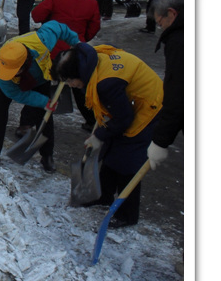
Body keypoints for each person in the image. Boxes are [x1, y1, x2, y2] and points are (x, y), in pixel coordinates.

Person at [52, 42, 163, 228]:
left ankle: (127, 215)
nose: (70, 85)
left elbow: (124, 118)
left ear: (78, 73)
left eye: (70, 80)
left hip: (149, 106)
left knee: (128, 159)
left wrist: (100, 135)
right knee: (112, 149)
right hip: (130, 102)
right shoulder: (90, 59)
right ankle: (103, 195)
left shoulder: (106, 84)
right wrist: (104, 132)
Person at [0, 20, 81, 172]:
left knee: (45, 116)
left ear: (25, 63)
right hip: (11, 85)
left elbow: (58, 26)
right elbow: (17, 94)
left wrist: (76, 43)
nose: (10, 74)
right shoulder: (2, 71)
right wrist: (42, 101)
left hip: (40, 78)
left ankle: (47, 156)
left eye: (14, 71)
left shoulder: (42, 41)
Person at [145, 0, 185, 281]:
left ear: (171, 15)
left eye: (159, 21)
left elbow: (178, 93)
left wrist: (160, 141)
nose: (158, 26)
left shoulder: (181, 41)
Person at [29, 0, 101, 132]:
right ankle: (92, 121)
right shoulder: (92, 4)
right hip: (77, 54)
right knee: (80, 88)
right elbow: (94, 27)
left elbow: (36, 15)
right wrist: (82, 39)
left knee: (41, 86)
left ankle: (30, 122)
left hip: (52, 54)